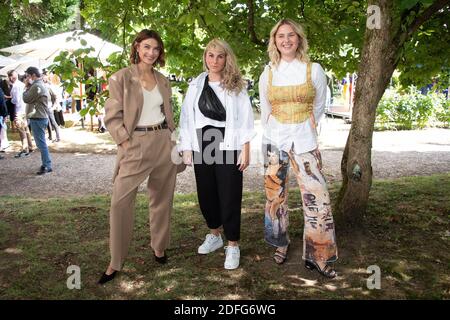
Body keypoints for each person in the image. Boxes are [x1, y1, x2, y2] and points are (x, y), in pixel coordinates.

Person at [259, 19, 338, 278]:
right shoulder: (268, 72)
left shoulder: (314, 70)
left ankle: (318, 254)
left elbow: (319, 106)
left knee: (318, 197)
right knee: (275, 197)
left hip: (304, 139)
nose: (286, 40)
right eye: (280, 36)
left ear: (299, 39)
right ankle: (281, 243)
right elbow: (265, 109)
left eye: (290, 35)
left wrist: (306, 124)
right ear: (275, 41)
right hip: (274, 141)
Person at [99, 29, 179, 284]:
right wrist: (125, 141)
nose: (151, 53)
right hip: (136, 144)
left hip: (163, 143)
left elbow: (168, 112)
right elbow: (112, 117)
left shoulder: (164, 79)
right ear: (137, 47)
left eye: (156, 49)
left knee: (162, 199)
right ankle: (116, 261)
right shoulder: (121, 78)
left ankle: (159, 247)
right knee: (119, 203)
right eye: (146, 47)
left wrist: (173, 139)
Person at [179, 39, 255, 270]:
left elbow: (246, 119)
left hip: (228, 141)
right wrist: (187, 146)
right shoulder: (196, 84)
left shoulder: (236, 85)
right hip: (203, 141)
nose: (214, 60)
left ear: (226, 58)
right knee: (207, 193)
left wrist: (246, 149)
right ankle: (214, 234)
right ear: (205, 57)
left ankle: (232, 244)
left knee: (229, 193)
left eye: (219, 56)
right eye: (210, 55)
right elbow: (186, 116)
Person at [23, 67, 53, 175]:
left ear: (33, 75)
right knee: (41, 143)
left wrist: (26, 87)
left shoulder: (36, 86)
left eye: (27, 76)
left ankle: (47, 165)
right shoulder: (40, 85)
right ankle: (46, 164)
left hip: (38, 117)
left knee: (41, 144)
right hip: (40, 116)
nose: (26, 78)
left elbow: (26, 99)